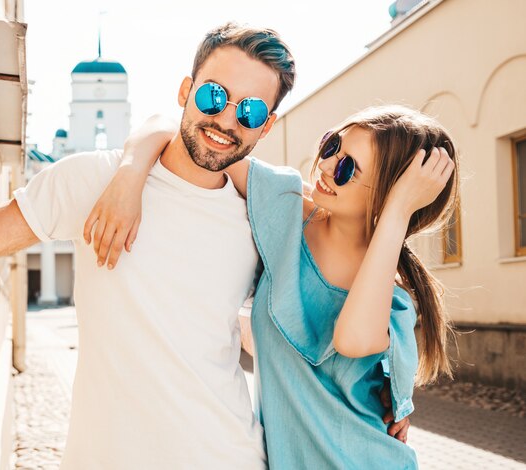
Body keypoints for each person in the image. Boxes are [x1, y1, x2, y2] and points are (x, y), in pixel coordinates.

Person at [0, 21, 408, 468]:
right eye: (214, 95)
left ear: (266, 127)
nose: (226, 119)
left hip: (231, 456)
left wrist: (392, 390)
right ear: (186, 91)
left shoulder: (264, 212)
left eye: (250, 110)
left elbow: (348, 268)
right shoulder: (92, 178)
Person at [85, 105, 458, 469]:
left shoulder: (392, 301)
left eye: (347, 168)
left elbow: (352, 339)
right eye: (332, 146)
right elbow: (176, 130)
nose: (326, 166)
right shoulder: (286, 205)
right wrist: (128, 179)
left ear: (392, 196)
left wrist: (398, 213)